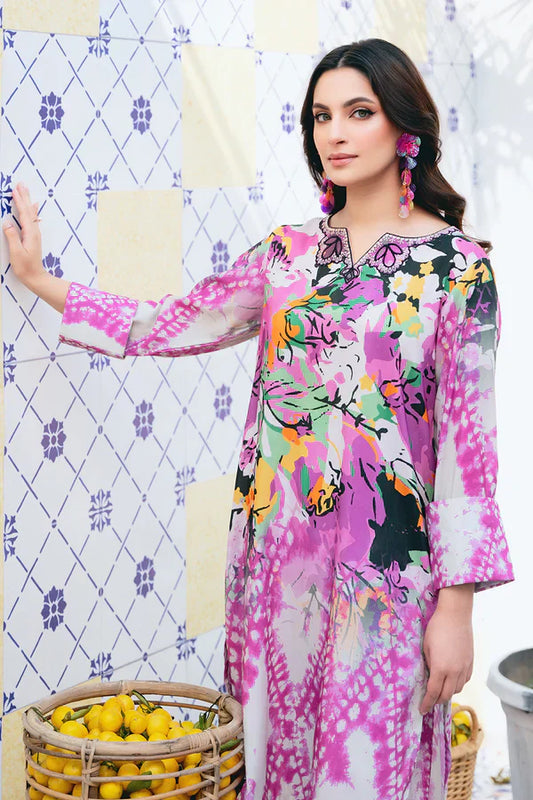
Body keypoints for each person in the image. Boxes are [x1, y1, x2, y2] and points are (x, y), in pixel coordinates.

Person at [3, 38, 514, 800]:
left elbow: (468, 450)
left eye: (358, 112)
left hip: (387, 582)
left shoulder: (456, 270)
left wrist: (457, 607)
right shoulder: (286, 256)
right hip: (277, 567)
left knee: (369, 772)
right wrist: (43, 282)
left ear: (404, 128)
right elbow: (172, 323)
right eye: (320, 117)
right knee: (275, 764)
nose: (334, 133)